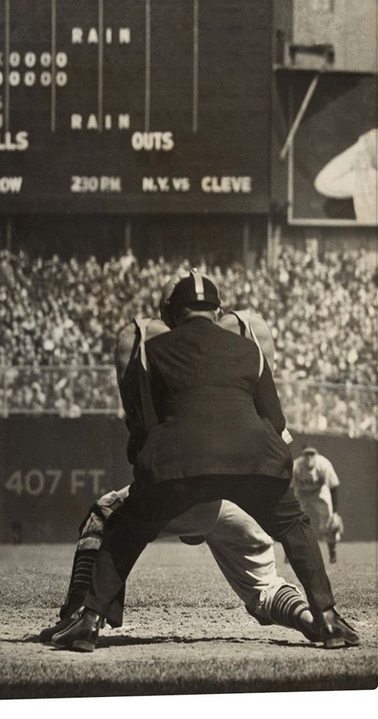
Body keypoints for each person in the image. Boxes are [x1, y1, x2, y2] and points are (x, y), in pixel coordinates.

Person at [49, 270, 358, 652]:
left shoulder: (150, 347)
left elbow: (142, 429)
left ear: (170, 313)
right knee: (291, 531)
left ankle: (85, 619)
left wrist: (151, 478)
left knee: (118, 526)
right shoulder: (251, 347)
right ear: (218, 310)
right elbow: (276, 422)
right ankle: (325, 618)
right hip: (250, 472)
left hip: (180, 468)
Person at [313, 127, 378, 224]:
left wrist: (363, 147)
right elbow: (323, 182)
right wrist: (363, 147)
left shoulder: (368, 178)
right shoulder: (368, 177)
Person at [292, 446, 343, 564]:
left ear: (316, 454)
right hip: (302, 493)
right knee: (294, 521)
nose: (309, 457)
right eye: (306, 454)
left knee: (330, 523)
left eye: (312, 453)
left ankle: (332, 553)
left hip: (319, 492)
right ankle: (291, 553)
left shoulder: (324, 464)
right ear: (302, 455)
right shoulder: (296, 466)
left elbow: (334, 486)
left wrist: (335, 512)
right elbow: (290, 488)